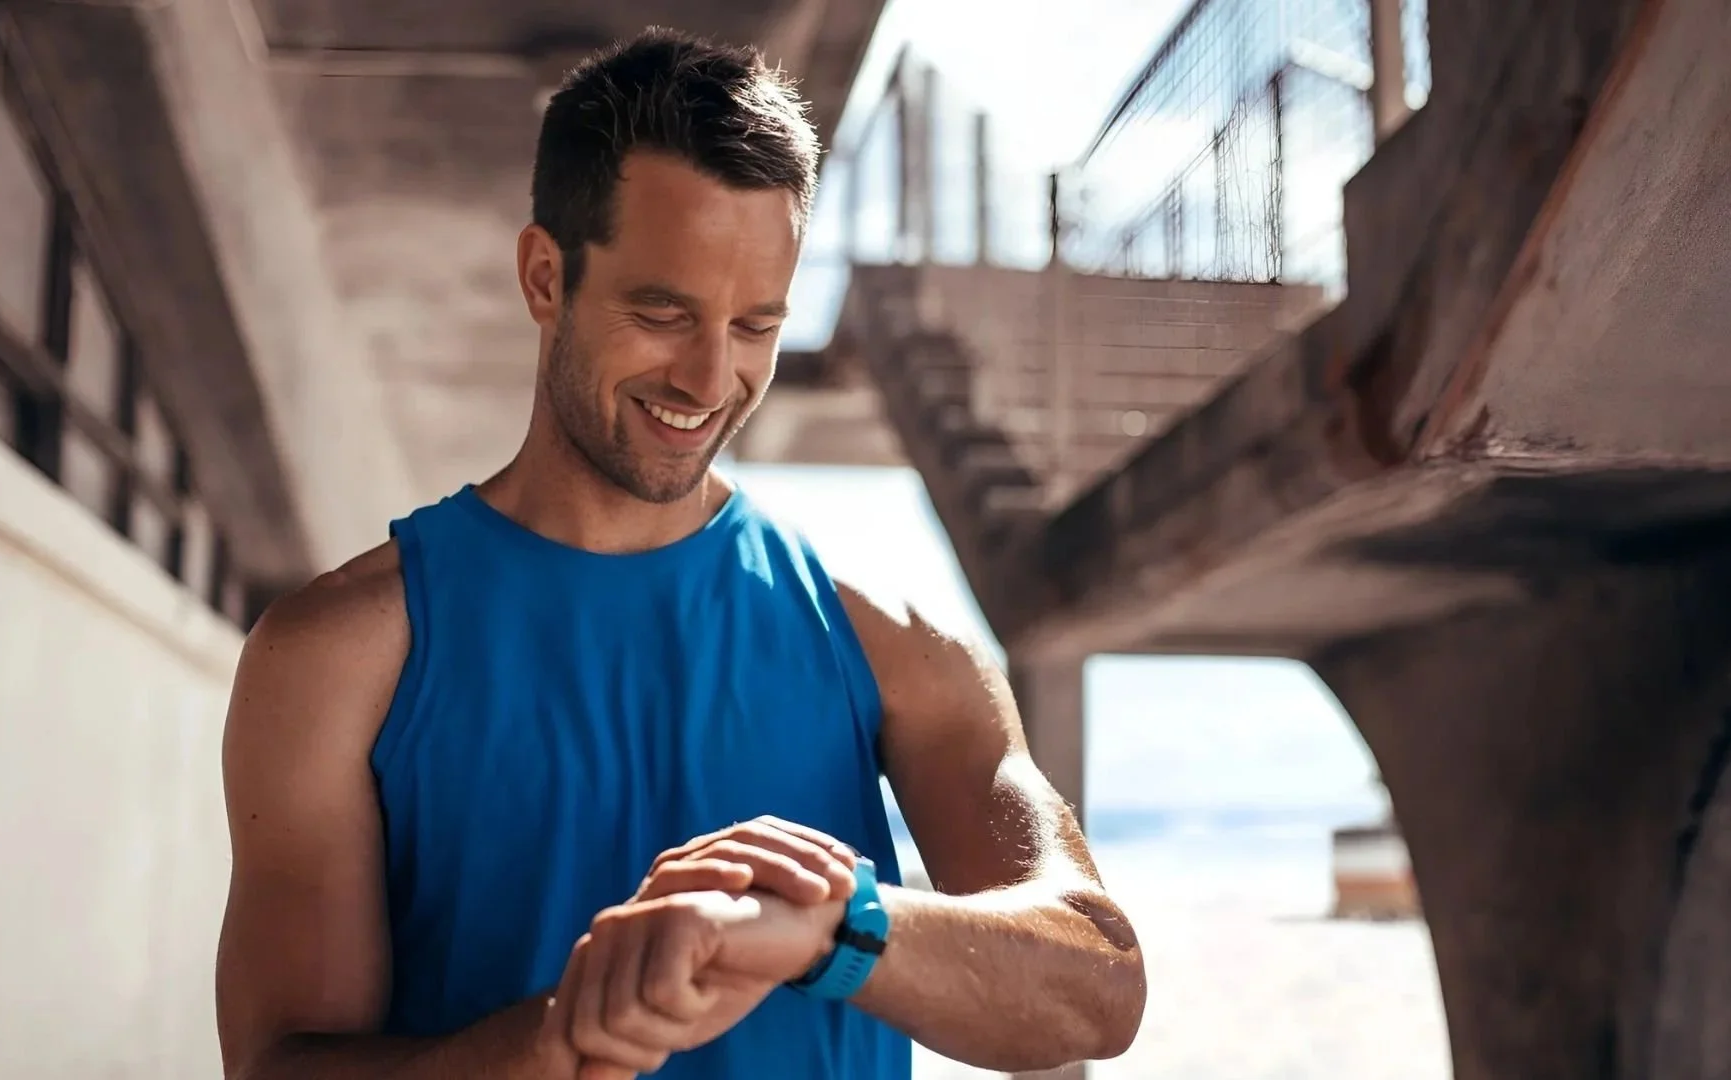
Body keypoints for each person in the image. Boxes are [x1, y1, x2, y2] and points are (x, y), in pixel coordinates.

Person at [213, 27, 1145, 1080]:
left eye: (755, 325)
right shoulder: (338, 655)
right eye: (663, 312)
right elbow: (280, 1065)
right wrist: (557, 1042)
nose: (710, 378)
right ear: (543, 277)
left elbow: (1097, 986)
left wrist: (837, 927)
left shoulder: (887, 643)